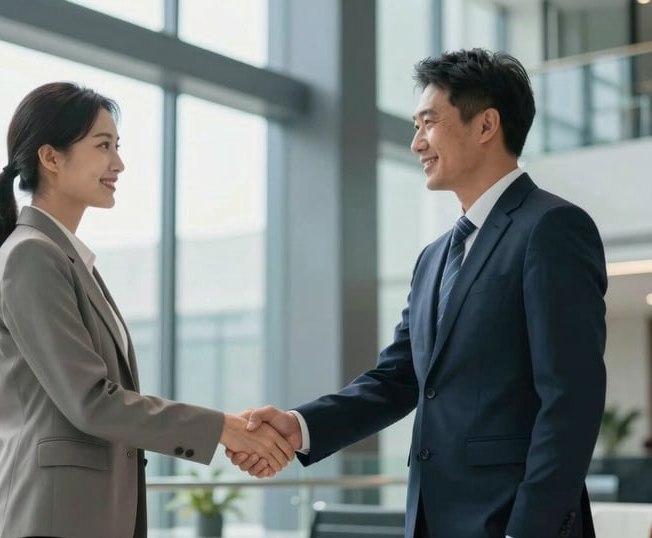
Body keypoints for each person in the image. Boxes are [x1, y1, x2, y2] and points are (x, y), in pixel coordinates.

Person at [229, 48, 607, 538]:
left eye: (428, 123)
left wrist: (529, 529)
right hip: (430, 520)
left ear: (486, 125)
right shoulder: (434, 257)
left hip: (512, 520)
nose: (416, 144)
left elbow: (571, 400)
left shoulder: (552, 228)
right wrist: (300, 426)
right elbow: (397, 380)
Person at [0, 82, 294, 538]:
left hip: (84, 516)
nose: (118, 163)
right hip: (47, 518)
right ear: (51, 158)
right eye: (103, 146)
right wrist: (224, 428)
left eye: (117, 146)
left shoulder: (66, 258)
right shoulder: (32, 255)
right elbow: (91, 401)